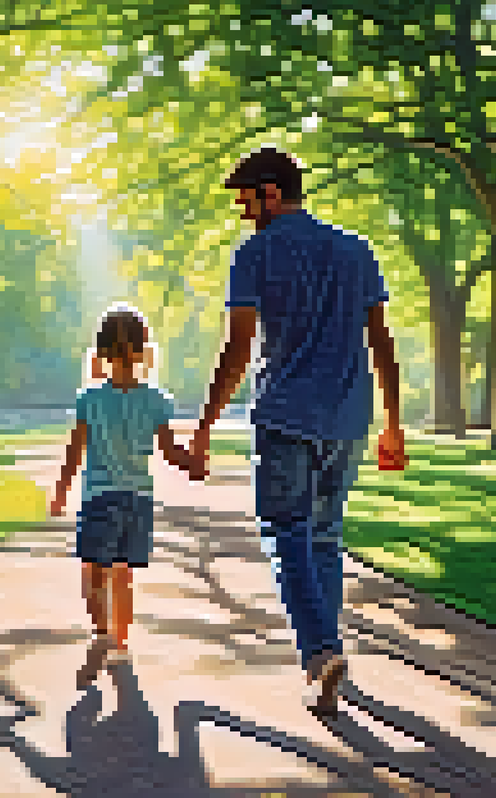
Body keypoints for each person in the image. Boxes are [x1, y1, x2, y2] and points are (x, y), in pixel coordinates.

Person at [188, 146, 408, 717]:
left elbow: (238, 348)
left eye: (247, 201)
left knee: (286, 532)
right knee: (324, 538)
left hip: (285, 416)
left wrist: (205, 426)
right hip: (347, 419)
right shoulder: (357, 251)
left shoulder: (255, 254)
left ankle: (319, 652)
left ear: (271, 193)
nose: (244, 214)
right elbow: (381, 342)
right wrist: (393, 422)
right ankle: (326, 660)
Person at [50, 304, 205, 688]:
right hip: (137, 500)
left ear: (100, 350)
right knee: (123, 576)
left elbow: (75, 452)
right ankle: (119, 646)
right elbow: (170, 452)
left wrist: (61, 491)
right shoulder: (156, 400)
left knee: (93, 574)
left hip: (99, 498)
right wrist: (193, 465)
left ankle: (101, 633)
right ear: (143, 349)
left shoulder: (90, 399)